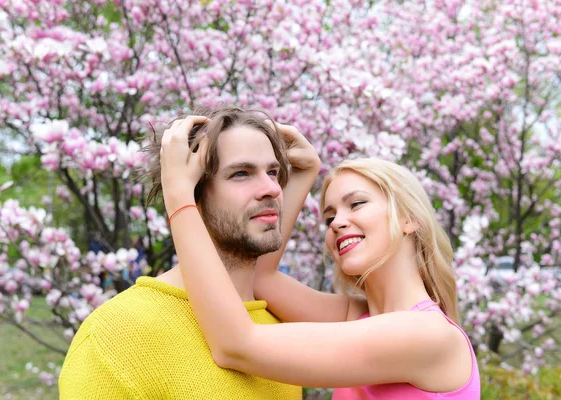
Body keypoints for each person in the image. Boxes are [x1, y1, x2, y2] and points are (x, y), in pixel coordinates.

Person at [160, 120, 481, 399]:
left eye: (356, 204)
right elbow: (260, 278)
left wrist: (179, 196)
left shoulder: (428, 335)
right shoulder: (356, 316)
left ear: (410, 219)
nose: (338, 223)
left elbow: (236, 345)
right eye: (329, 217)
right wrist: (304, 174)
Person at [58, 106, 322, 399]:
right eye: (241, 174)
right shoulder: (116, 336)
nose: (271, 188)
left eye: (273, 172)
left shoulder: (277, 326)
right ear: (190, 191)